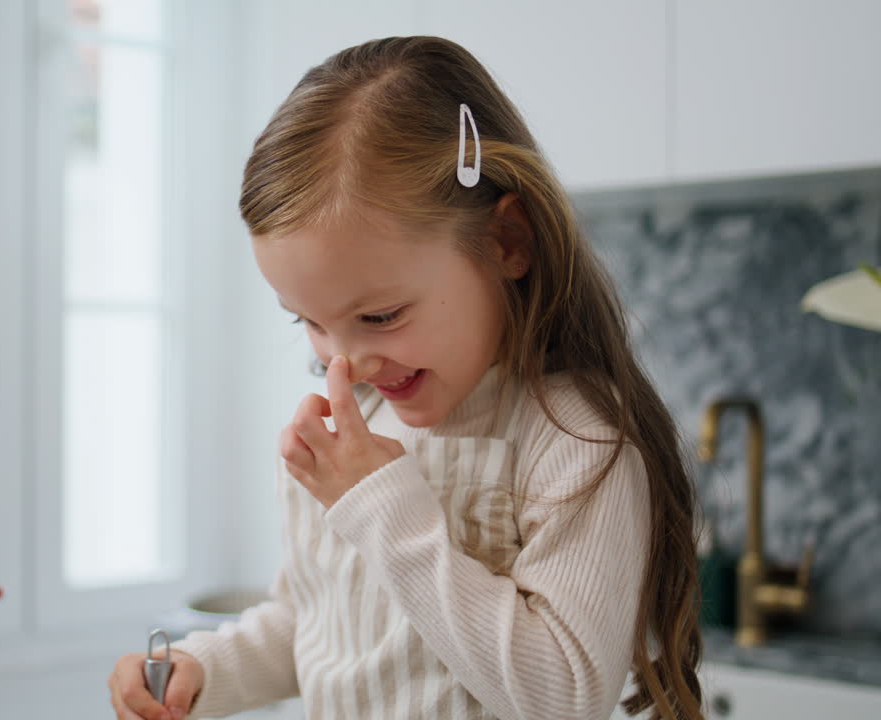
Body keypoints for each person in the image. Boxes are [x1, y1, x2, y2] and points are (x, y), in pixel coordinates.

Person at [109, 36, 702, 720]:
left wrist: (386, 510)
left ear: (508, 242)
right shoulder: (346, 436)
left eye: (381, 315)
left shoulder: (575, 445)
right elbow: (318, 623)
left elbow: (562, 697)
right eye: (308, 321)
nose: (345, 362)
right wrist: (202, 670)